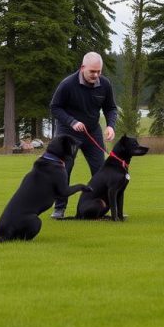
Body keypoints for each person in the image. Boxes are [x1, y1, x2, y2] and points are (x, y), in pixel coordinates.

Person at [48, 51, 118, 219]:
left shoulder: (105, 85)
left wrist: (110, 126)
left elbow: (111, 108)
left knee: (101, 172)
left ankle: (105, 209)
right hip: (68, 133)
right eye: (92, 72)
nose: (96, 75)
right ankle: (59, 209)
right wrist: (72, 122)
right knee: (65, 170)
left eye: (99, 71)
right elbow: (55, 107)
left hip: (92, 132)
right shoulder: (67, 84)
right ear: (82, 68)